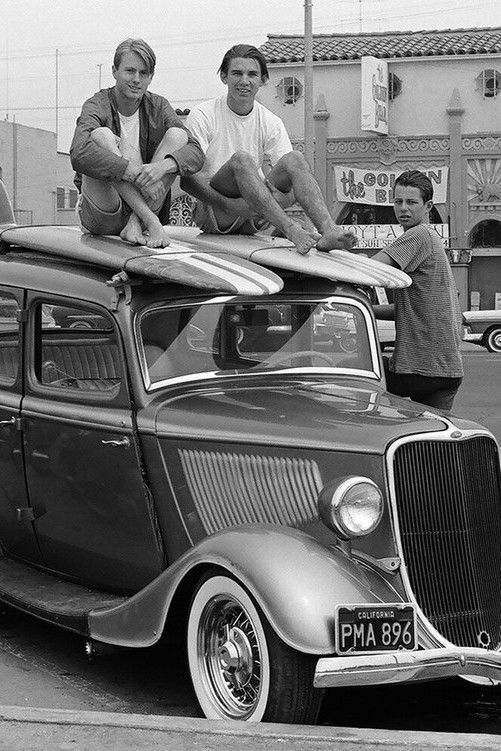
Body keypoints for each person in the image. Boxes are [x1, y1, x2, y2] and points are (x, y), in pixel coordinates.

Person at [181, 44, 356, 256]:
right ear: (224, 77)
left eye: (252, 74)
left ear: (263, 80)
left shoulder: (271, 121)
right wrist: (229, 205)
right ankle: (291, 229)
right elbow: (187, 180)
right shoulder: (203, 114)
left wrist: (272, 201)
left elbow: (293, 186)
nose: (244, 81)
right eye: (237, 73)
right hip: (215, 212)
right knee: (242, 161)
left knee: (296, 159)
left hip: (255, 214)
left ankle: (328, 230)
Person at [70, 38, 204, 248]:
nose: (136, 79)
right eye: (130, 71)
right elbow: (78, 153)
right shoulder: (97, 104)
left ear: (151, 76)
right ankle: (150, 221)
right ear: (114, 71)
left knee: (178, 136)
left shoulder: (158, 106)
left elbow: (196, 153)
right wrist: (132, 172)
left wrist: (161, 167)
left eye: (144, 73)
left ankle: (135, 222)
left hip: (142, 214)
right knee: (101, 136)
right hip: (104, 211)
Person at [370, 170, 463, 412]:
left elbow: (369, 269)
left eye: (411, 202)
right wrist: (367, 310)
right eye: (398, 201)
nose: (403, 208)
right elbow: (409, 308)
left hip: (419, 369)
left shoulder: (419, 234)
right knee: (430, 443)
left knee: (354, 370)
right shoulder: (432, 241)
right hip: (447, 370)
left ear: (428, 206)